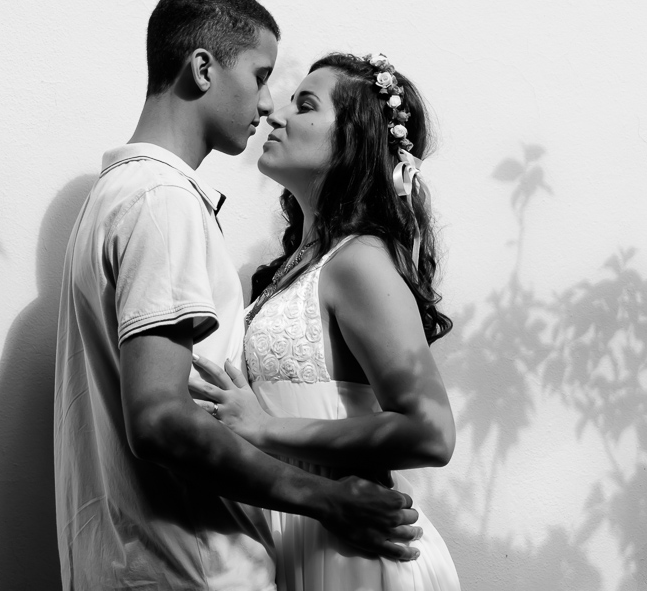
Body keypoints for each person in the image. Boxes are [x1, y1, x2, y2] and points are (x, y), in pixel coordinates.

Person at [54, 0, 420, 591]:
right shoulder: (162, 202)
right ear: (202, 69)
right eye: (260, 75)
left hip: (126, 562)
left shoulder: (112, 199)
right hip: (190, 567)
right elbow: (161, 418)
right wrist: (323, 498)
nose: (270, 104)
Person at [188, 52, 461, 591]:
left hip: (355, 555)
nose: (275, 115)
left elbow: (432, 433)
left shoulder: (359, 262)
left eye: (304, 105)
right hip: (298, 536)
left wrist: (267, 427)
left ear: (351, 142)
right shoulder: (296, 270)